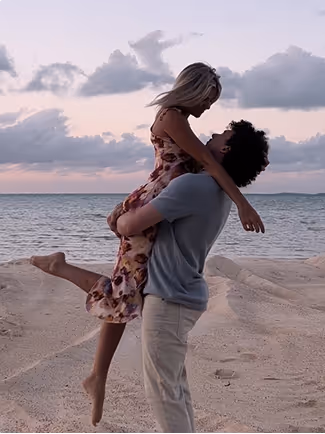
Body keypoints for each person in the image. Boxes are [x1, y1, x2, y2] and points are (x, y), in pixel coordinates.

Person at [30, 63, 265, 426]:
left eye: (220, 129)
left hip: (166, 269)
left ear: (228, 149)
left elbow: (209, 164)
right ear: (195, 91)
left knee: (127, 305)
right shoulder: (176, 123)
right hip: (158, 210)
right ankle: (97, 373)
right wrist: (241, 201)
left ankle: (95, 368)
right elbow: (209, 164)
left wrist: (243, 202)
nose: (209, 118)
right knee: (162, 369)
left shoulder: (196, 178)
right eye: (208, 103)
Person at [116, 121, 270, 432]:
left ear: (225, 149)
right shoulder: (220, 192)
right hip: (182, 295)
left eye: (222, 134)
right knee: (174, 388)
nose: (213, 134)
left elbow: (130, 226)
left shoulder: (194, 186)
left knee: (163, 393)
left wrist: (118, 217)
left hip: (169, 297)